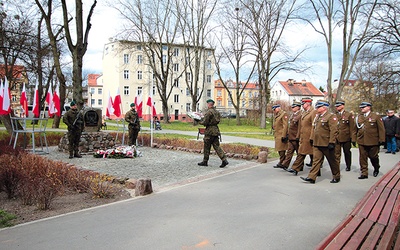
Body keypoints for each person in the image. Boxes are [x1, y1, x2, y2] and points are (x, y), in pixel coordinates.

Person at [300, 100, 339, 184]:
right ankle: (312, 177)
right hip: (317, 142)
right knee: (316, 161)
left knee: (332, 161)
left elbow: (333, 130)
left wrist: (332, 142)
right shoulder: (318, 116)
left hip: (326, 143)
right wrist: (312, 138)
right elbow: (314, 129)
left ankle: (336, 176)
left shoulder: (331, 116)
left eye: (318, 107)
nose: (317, 108)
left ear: (324, 107)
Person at [287, 97, 318, 175]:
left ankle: (295, 168)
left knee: (304, 153)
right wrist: (298, 136)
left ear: (308, 103)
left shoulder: (313, 112)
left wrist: (312, 137)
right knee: (304, 153)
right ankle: (296, 169)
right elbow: (300, 126)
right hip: (303, 137)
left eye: (303, 103)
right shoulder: (304, 113)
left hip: (309, 137)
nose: (302, 105)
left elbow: (314, 125)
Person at [355, 102, 385, 179]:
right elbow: (355, 129)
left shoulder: (376, 116)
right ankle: (364, 173)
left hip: (373, 140)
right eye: (361, 107)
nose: (362, 109)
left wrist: (382, 139)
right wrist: (354, 138)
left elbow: (381, 129)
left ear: (369, 107)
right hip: (361, 140)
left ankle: (376, 167)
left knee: (373, 156)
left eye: (363, 107)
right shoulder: (359, 117)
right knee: (362, 157)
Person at [198, 99, 229, 168]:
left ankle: (205, 161)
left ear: (209, 104)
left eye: (207, 104)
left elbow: (205, 122)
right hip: (216, 130)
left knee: (207, 147)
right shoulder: (217, 112)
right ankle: (224, 159)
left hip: (209, 131)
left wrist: (198, 120)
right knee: (217, 146)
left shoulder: (209, 112)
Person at [335, 100, 356, 171]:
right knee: (336, 153)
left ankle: (348, 165)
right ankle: (336, 166)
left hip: (346, 137)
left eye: (338, 106)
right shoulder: (334, 115)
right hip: (337, 137)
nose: (337, 107)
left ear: (343, 106)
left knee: (347, 152)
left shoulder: (349, 115)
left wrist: (353, 138)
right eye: (336, 106)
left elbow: (352, 127)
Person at [281, 101, 301, 170]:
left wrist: (298, 136)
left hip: (296, 137)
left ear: (298, 107)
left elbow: (299, 127)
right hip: (291, 136)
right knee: (289, 151)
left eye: (294, 107)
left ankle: (299, 166)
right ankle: (285, 164)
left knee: (299, 153)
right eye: (292, 107)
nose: (292, 108)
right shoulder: (293, 115)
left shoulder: (300, 115)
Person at [271, 104, 289, 169]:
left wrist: (284, 135)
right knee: (279, 149)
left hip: (281, 134)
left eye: (274, 109)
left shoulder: (283, 114)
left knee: (281, 149)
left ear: (278, 108)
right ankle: (282, 162)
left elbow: (285, 125)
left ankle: (282, 162)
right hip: (277, 134)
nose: (274, 111)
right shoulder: (277, 114)